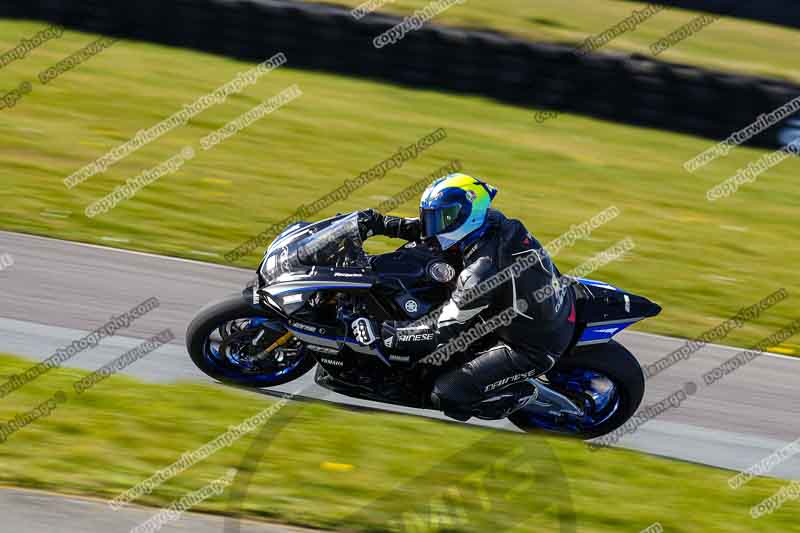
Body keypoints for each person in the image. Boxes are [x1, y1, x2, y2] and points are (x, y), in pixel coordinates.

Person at [352, 173, 576, 421]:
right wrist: (382, 223)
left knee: (447, 395)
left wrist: (388, 334)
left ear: (468, 216)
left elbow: (443, 330)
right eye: (433, 216)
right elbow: (430, 231)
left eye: (443, 217)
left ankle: (526, 394)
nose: (435, 223)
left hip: (529, 346)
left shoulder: (481, 272)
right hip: (531, 306)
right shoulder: (491, 222)